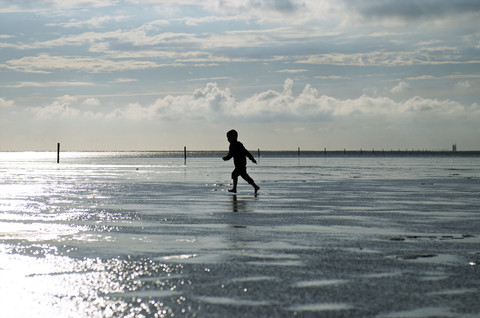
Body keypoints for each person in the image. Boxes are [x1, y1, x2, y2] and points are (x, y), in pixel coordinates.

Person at [222, 129, 260, 194]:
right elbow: (230, 154)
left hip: (241, 164)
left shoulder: (238, 145)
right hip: (237, 164)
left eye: (229, 137)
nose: (228, 139)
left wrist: (252, 159)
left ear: (234, 137)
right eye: (227, 138)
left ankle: (234, 189)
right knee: (245, 176)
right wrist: (226, 158)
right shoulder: (231, 145)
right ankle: (255, 186)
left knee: (234, 174)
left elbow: (246, 152)